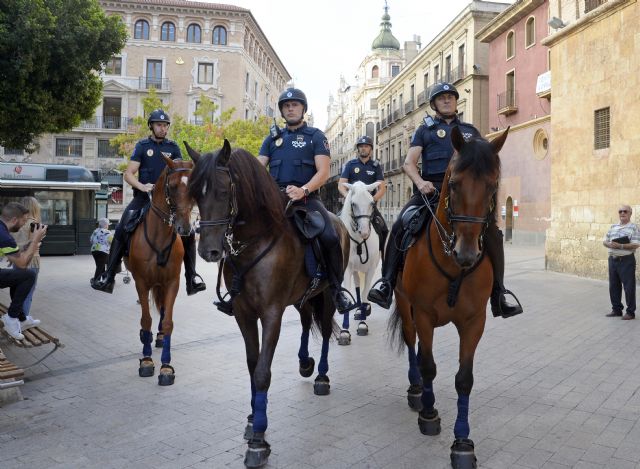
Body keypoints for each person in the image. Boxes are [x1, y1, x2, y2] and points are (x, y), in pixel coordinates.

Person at [367, 82, 523, 319]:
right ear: (434, 104)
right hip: (430, 192)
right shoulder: (425, 131)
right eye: (442, 98)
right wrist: (421, 183)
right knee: (401, 224)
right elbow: (408, 163)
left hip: (464, 194)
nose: (447, 100)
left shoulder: (470, 131)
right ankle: (387, 283)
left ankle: (499, 293)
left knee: (493, 233)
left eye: (451, 97)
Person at [257, 87, 353, 313]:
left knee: (329, 235)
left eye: (295, 105)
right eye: (286, 106)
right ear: (282, 111)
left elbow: (323, 172)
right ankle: (236, 288)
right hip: (275, 199)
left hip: (307, 199)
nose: (290, 108)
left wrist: (303, 190)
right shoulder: (272, 139)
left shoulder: (316, 137)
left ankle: (337, 290)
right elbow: (258, 167)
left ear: (303, 109)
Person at [91, 109, 206, 295]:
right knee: (121, 226)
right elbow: (129, 174)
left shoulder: (174, 147)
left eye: (165, 125)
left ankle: (191, 278)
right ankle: (108, 276)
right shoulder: (143, 146)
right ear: (151, 126)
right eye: (159, 125)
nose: (163, 128)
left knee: (189, 232)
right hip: (143, 198)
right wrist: (142, 186)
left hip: (168, 202)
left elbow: (179, 172)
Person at [0, 202, 47, 340]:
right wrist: (34, 241)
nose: (24, 224)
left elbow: (15, 255)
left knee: (18, 276)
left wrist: (26, 247)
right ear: (14, 220)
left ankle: (21, 317)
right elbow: (22, 264)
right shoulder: (4, 235)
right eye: (24, 221)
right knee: (28, 275)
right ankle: (12, 317)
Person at [338, 135, 389, 255]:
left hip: (369, 208)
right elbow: (341, 185)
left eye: (366, 146)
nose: (363, 149)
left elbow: (382, 188)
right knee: (335, 227)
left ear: (370, 149)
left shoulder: (375, 167)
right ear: (358, 149)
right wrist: (349, 198)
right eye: (361, 146)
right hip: (351, 207)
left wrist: (371, 200)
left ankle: (384, 261)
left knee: (384, 229)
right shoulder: (350, 165)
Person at [9, 196, 43, 331]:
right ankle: (23, 321)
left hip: (16, 260)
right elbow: (36, 244)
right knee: (28, 293)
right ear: (34, 208)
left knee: (18, 291)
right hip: (31, 261)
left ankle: (15, 319)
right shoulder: (34, 224)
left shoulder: (15, 223)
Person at [603, 204, 640, 320]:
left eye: (625, 211)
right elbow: (605, 240)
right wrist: (609, 244)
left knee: (629, 287)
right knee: (613, 286)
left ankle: (630, 312)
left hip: (626, 260)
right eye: (620, 212)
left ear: (630, 213)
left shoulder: (634, 227)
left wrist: (621, 245)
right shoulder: (613, 226)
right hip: (613, 260)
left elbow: (636, 244)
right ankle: (616, 309)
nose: (622, 213)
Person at [90, 217, 113, 283]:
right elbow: (112, 241)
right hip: (103, 251)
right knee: (100, 266)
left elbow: (91, 240)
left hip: (94, 250)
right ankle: (95, 280)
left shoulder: (95, 231)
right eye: (108, 225)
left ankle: (104, 278)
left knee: (100, 265)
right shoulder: (108, 232)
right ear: (105, 225)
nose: (108, 226)